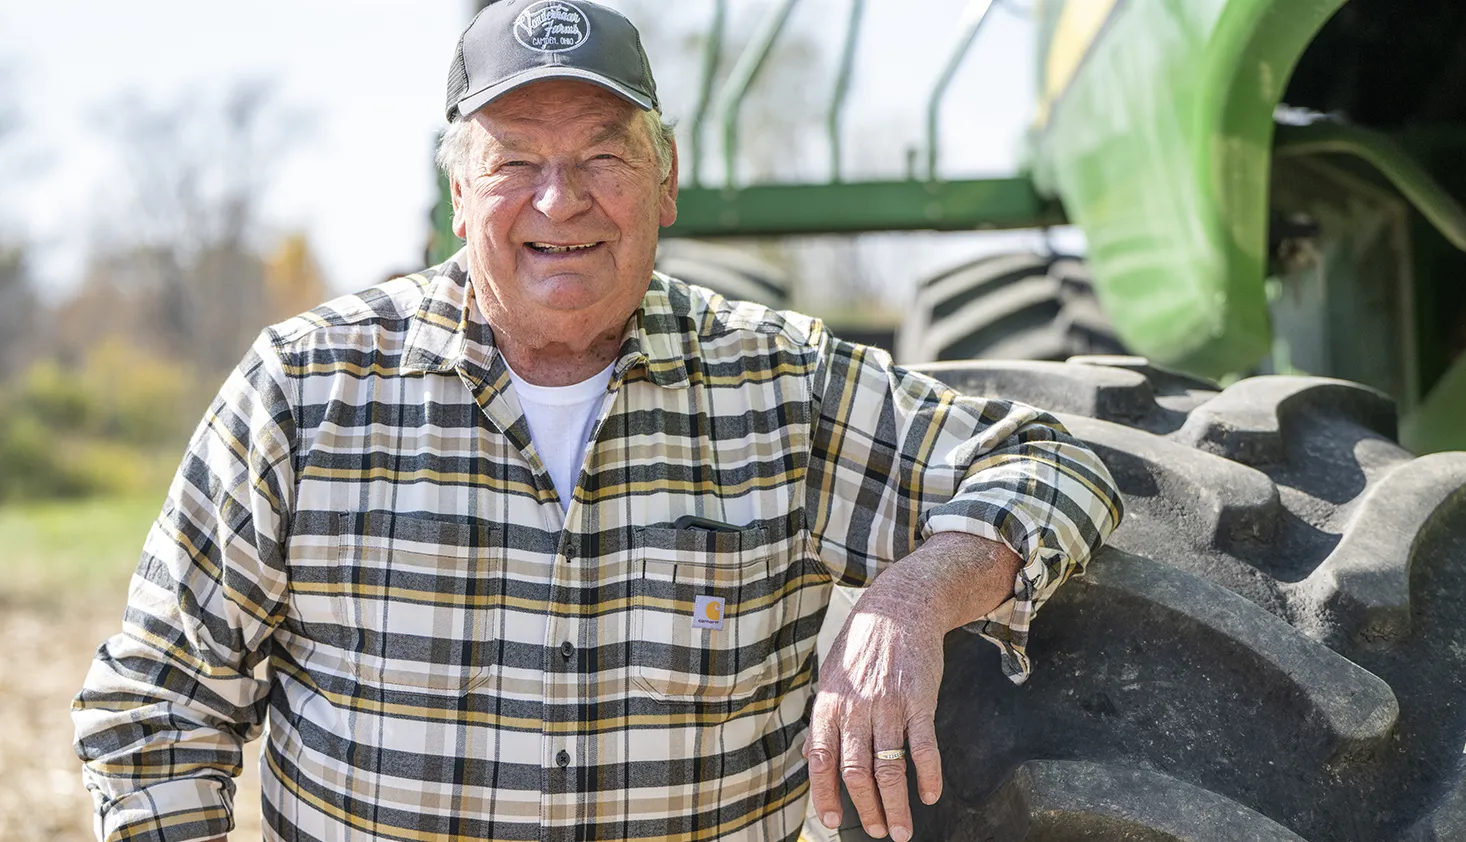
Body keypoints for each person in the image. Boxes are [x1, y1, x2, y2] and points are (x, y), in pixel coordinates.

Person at [72, 2, 1122, 841]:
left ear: (666, 181)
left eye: (603, 156)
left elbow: (1051, 462)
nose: (559, 198)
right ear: (457, 190)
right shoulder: (305, 391)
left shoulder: (779, 384)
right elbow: (159, 707)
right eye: (515, 158)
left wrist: (910, 595)